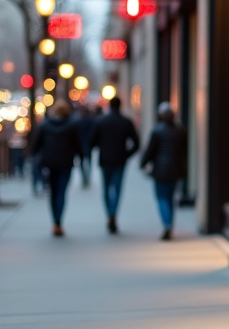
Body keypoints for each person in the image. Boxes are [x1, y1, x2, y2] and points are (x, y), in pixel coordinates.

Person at [88, 97, 140, 233]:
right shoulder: (126, 122)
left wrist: (100, 147)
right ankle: (113, 213)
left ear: (110, 106)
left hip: (105, 160)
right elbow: (136, 143)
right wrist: (126, 154)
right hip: (119, 160)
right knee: (117, 188)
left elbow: (91, 142)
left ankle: (110, 214)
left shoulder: (100, 121)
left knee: (106, 189)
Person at [31, 100, 80, 236]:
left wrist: (35, 158)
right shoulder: (71, 125)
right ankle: (58, 221)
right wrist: (81, 157)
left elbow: (37, 145)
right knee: (61, 193)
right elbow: (77, 144)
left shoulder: (45, 125)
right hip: (66, 163)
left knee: (53, 192)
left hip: (50, 163)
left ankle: (55, 221)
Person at [139, 102, 188, 240]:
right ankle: (169, 224)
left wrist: (143, 163)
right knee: (170, 198)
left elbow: (150, 150)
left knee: (162, 198)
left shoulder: (157, 130)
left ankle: (167, 225)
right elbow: (184, 151)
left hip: (160, 170)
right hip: (175, 169)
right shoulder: (181, 130)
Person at [73, 106, 95, 188]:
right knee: (88, 161)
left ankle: (84, 177)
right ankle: (87, 177)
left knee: (82, 162)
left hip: (81, 144)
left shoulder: (78, 122)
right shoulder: (91, 121)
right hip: (88, 144)